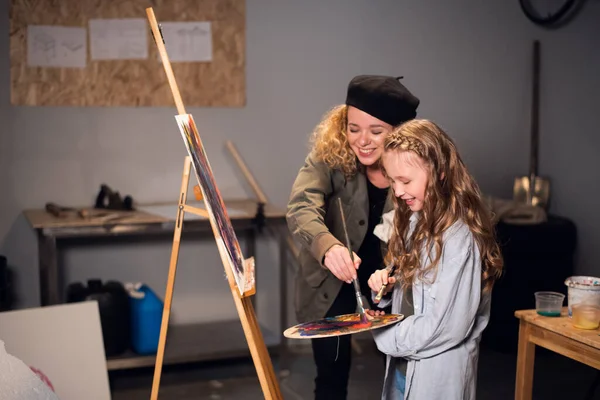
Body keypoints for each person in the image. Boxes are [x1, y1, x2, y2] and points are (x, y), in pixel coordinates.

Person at [286, 75, 420, 399]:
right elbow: (301, 205)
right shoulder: (330, 155)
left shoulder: (415, 167)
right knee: (331, 375)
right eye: (353, 128)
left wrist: (393, 278)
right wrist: (328, 246)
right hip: (330, 284)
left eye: (376, 131)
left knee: (406, 372)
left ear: (398, 132)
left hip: (388, 284)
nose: (362, 141)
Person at [366, 119, 503, 399]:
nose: (398, 191)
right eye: (393, 181)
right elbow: (415, 295)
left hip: (437, 372)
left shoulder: (460, 237)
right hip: (405, 366)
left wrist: (383, 334)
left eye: (405, 180)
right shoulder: (416, 220)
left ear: (439, 171)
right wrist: (385, 290)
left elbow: (446, 327)